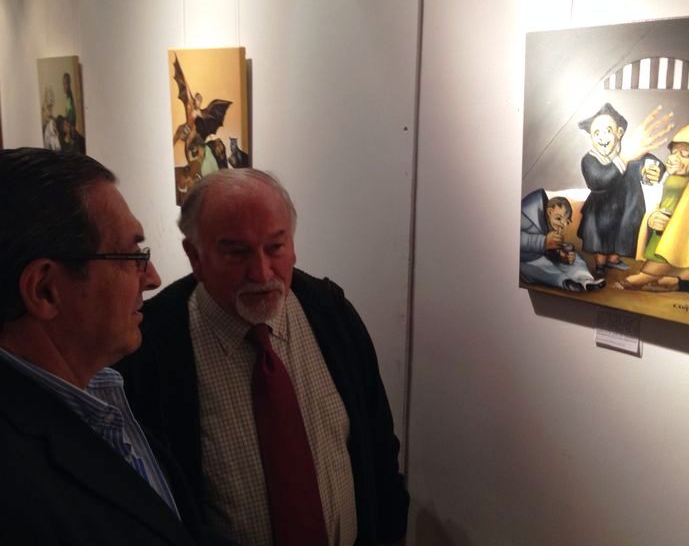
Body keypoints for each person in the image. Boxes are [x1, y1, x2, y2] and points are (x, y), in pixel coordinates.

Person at [117, 168, 409, 546]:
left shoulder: (331, 314)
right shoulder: (151, 345)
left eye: (275, 247)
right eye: (237, 253)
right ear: (195, 256)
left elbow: (379, 446)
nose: (261, 272)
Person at [0, 148, 228, 545]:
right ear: (45, 289)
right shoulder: (15, 482)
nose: (153, 278)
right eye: (131, 255)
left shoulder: (104, 388)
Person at [615, 109, 689, 292]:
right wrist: (652, 218)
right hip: (661, 227)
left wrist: (673, 225)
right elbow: (657, 193)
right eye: (674, 152)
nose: (674, 158)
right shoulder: (671, 177)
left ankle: (649, 276)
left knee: (669, 251)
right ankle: (667, 279)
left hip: (673, 232)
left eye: (685, 154)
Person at [576, 103, 672, 278]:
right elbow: (598, 180)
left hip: (625, 208)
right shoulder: (590, 159)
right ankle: (600, 265)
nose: (602, 137)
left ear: (619, 133)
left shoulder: (632, 155)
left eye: (607, 131)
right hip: (600, 209)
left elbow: (652, 164)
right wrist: (625, 159)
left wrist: (653, 170)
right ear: (591, 137)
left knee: (622, 233)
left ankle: (614, 259)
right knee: (601, 237)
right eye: (596, 133)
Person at [520, 189, 605, 291]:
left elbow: (548, 251)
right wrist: (544, 242)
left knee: (575, 258)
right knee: (543, 269)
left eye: (565, 222)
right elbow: (516, 240)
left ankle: (585, 279)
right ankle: (566, 283)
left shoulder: (549, 220)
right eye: (558, 219)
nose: (561, 224)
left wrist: (561, 256)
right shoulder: (528, 212)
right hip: (526, 261)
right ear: (549, 211)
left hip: (544, 256)